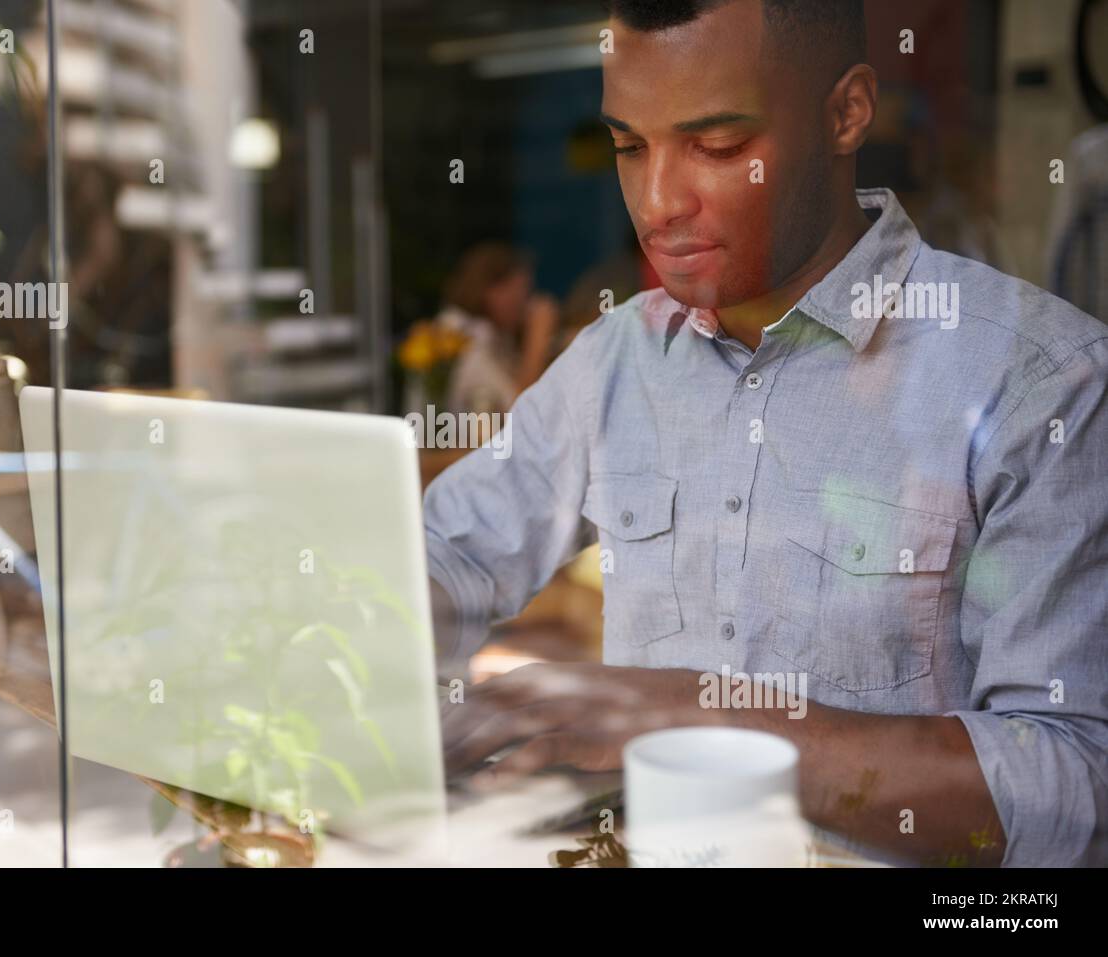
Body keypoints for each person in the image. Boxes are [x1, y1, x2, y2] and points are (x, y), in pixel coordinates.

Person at [424, 0, 1108, 867]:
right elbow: (450, 554)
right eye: (629, 147)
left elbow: (1076, 789)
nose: (660, 201)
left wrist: (701, 715)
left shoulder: (1041, 381)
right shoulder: (615, 361)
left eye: (717, 145)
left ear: (844, 113)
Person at [434, 242, 559, 415]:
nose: (525, 304)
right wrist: (537, 339)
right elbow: (519, 412)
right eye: (521, 291)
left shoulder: (494, 336)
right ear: (493, 290)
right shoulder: (463, 337)